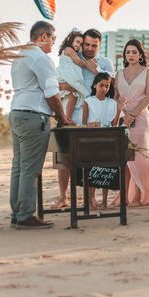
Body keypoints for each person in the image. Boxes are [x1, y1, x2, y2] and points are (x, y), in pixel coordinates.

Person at [9, 21, 71, 230]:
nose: (54, 42)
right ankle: (25, 215)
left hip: (17, 113)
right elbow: (51, 92)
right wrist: (62, 117)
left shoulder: (20, 55)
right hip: (34, 116)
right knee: (30, 168)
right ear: (43, 37)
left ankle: (17, 213)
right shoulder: (40, 57)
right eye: (53, 38)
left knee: (18, 166)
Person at [53, 28, 114, 208]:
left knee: (92, 160)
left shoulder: (105, 63)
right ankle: (63, 197)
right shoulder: (72, 57)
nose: (89, 48)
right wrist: (67, 86)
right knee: (64, 157)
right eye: (86, 44)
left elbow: (111, 89)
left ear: (100, 45)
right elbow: (57, 83)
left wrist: (96, 71)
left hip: (93, 119)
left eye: (94, 46)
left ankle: (90, 197)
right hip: (70, 115)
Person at [115, 39, 149, 206]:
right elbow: (115, 97)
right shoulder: (119, 74)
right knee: (126, 158)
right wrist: (124, 115)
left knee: (140, 157)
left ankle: (141, 195)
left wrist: (133, 114)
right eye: (128, 52)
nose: (130, 55)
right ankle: (128, 196)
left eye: (134, 52)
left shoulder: (147, 72)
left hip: (141, 119)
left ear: (140, 55)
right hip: (123, 119)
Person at [82, 72, 120, 210]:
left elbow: (114, 125)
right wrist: (91, 125)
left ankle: (104, 201)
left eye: (107, 86)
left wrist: (120, 109)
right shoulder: (88, 102)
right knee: (93, 170)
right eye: (101, 85)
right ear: (95, 85)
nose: (104, 88)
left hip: (107, 140)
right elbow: (84, 124)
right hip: (92, 141)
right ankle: (90, 199)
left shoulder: (112, 103)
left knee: (106, 170)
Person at [57, 30, 90, 121]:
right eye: (77, 42)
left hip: (67, 76)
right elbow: (78, 62)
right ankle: (67, 117)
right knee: (73, 94)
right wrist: (85, 63)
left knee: (72, 96)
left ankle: (67, 117)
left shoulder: (69, 51)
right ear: (71, 40)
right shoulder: (69, 50)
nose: (78, 45)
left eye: (81, 44)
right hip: (67, 76)